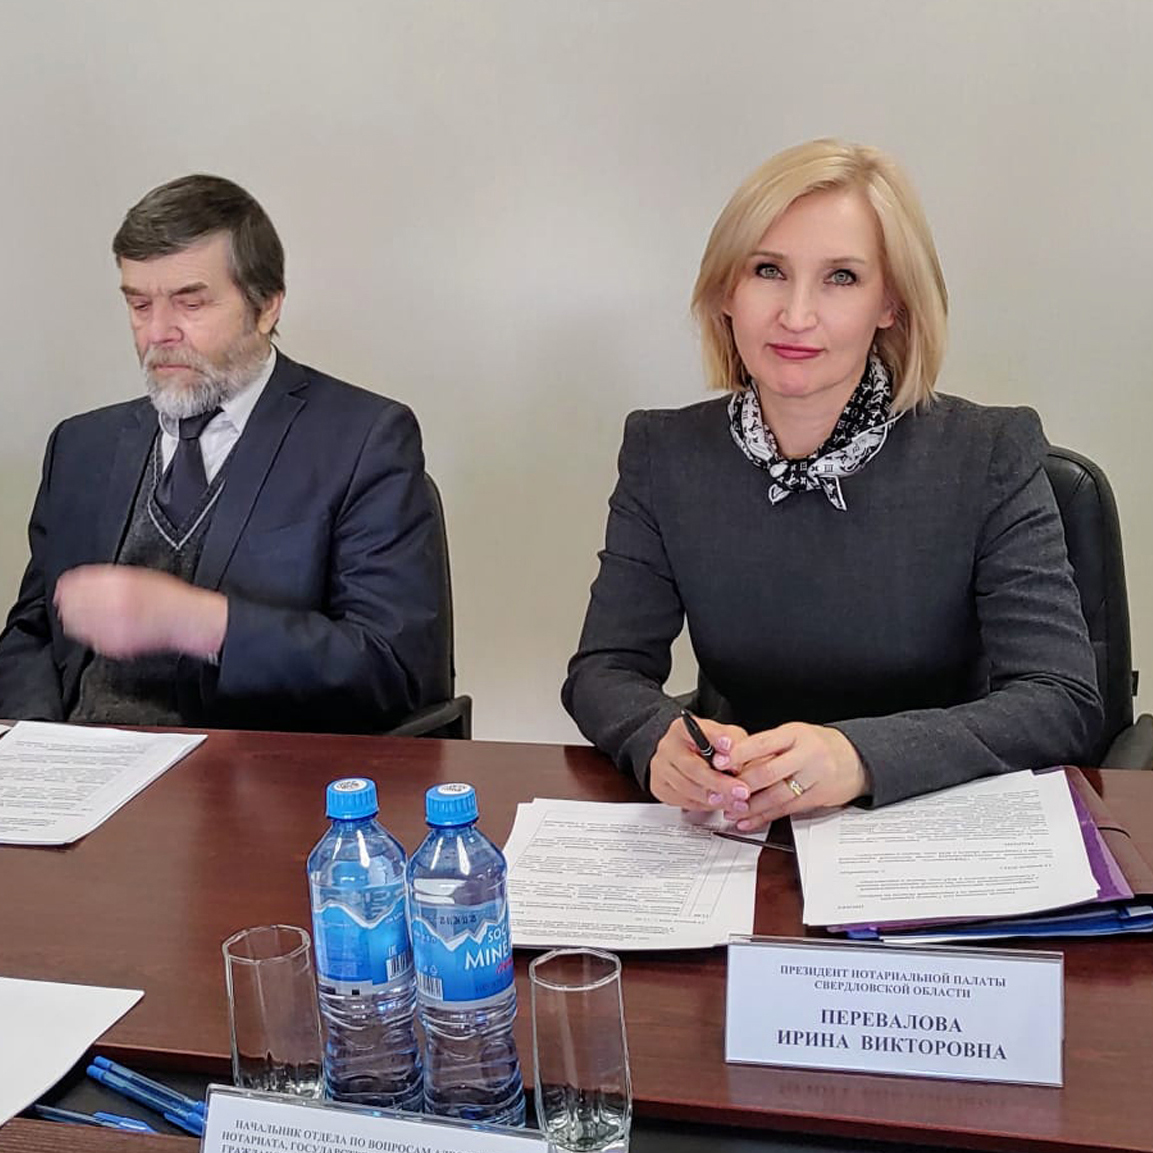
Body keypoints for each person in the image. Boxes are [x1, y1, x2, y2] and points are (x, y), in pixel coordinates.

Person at [562, 139, 1101, 832]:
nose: (795, 315)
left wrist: (859, 757)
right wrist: (656, 739)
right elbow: (604, 668)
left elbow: (1061, 698)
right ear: (727, 291)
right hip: (741, 829)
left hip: (933, 823)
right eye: (768, 271)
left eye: (841, 277)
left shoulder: (988, 453)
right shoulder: (664, 454)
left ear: (890, 303)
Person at [0, 174, 444, 733]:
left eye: (190, 303)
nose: (158, 332)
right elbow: (32, 635)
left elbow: (392, 669)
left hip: (244, 774)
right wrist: (40, 744)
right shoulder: (79, 447)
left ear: (266, 306)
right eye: (139, 304)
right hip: (80, 766)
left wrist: (202, 623)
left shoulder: (364, 440)